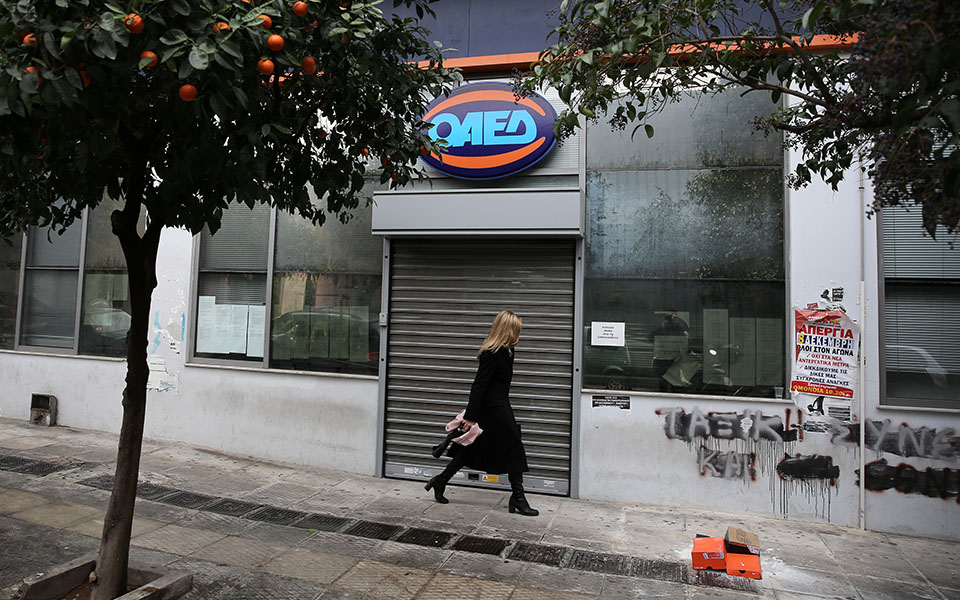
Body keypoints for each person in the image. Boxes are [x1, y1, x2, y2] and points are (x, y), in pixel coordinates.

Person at [424, 309, 538, 516]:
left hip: (500, 406)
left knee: (471, 450)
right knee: (515, 448)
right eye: (516, 329)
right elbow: (479, 385)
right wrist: (471, 417)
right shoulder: (492, 353)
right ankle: (518, 497)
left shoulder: (508, 351)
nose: (518, 334)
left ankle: (440, 480)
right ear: (507, 329)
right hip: (493, 410)